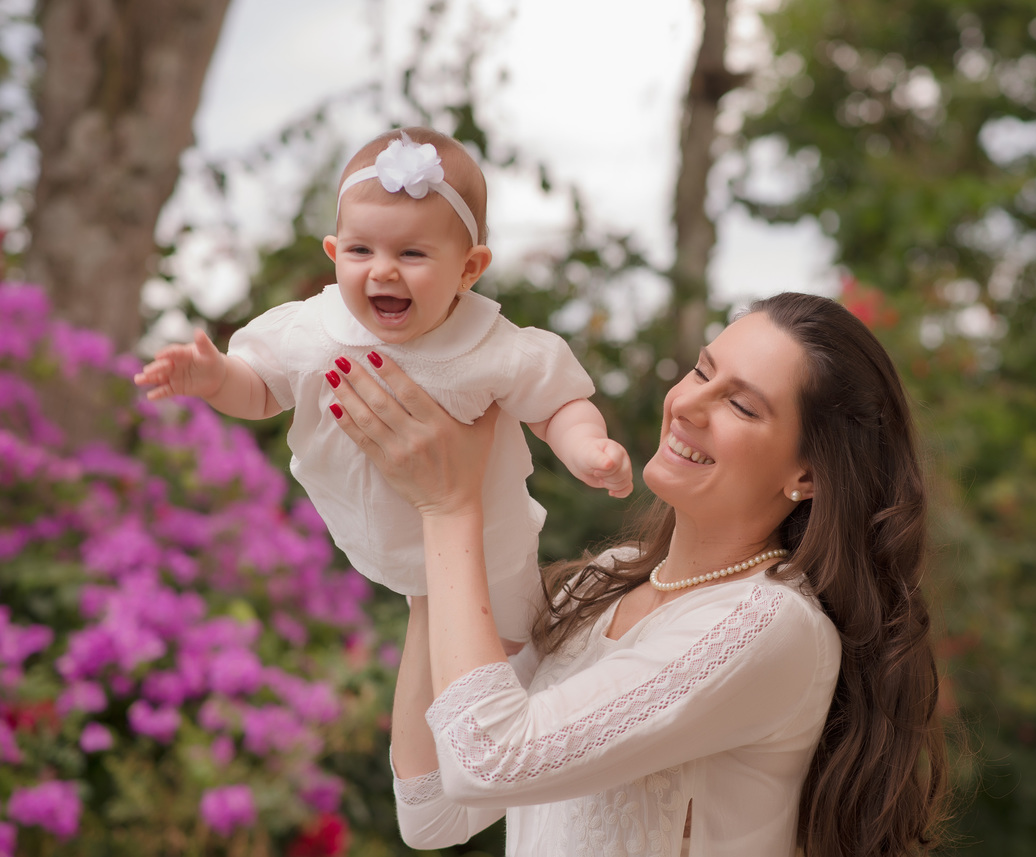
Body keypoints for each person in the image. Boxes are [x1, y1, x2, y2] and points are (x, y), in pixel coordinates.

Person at [326, 292, 949, 856]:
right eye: (702, 371)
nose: (689, 405)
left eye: (740, 405)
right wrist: (421, 544)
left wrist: (450, 507)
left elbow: (488, 762)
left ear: (807, 476)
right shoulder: (602, 584)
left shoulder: (770, 625)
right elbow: (431, 808)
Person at [135, 128, 633, 646]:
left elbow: (557, 404)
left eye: (412, 254)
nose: (383, 270)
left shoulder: (489, 345)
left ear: (469, 269)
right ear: (333, 253)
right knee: (425, 641)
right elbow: (261, 389)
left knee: (510, 650)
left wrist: (584, 447)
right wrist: (218, 379)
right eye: (360, 250)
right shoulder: (313, 330)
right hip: (375, 529)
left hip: (485, 545)